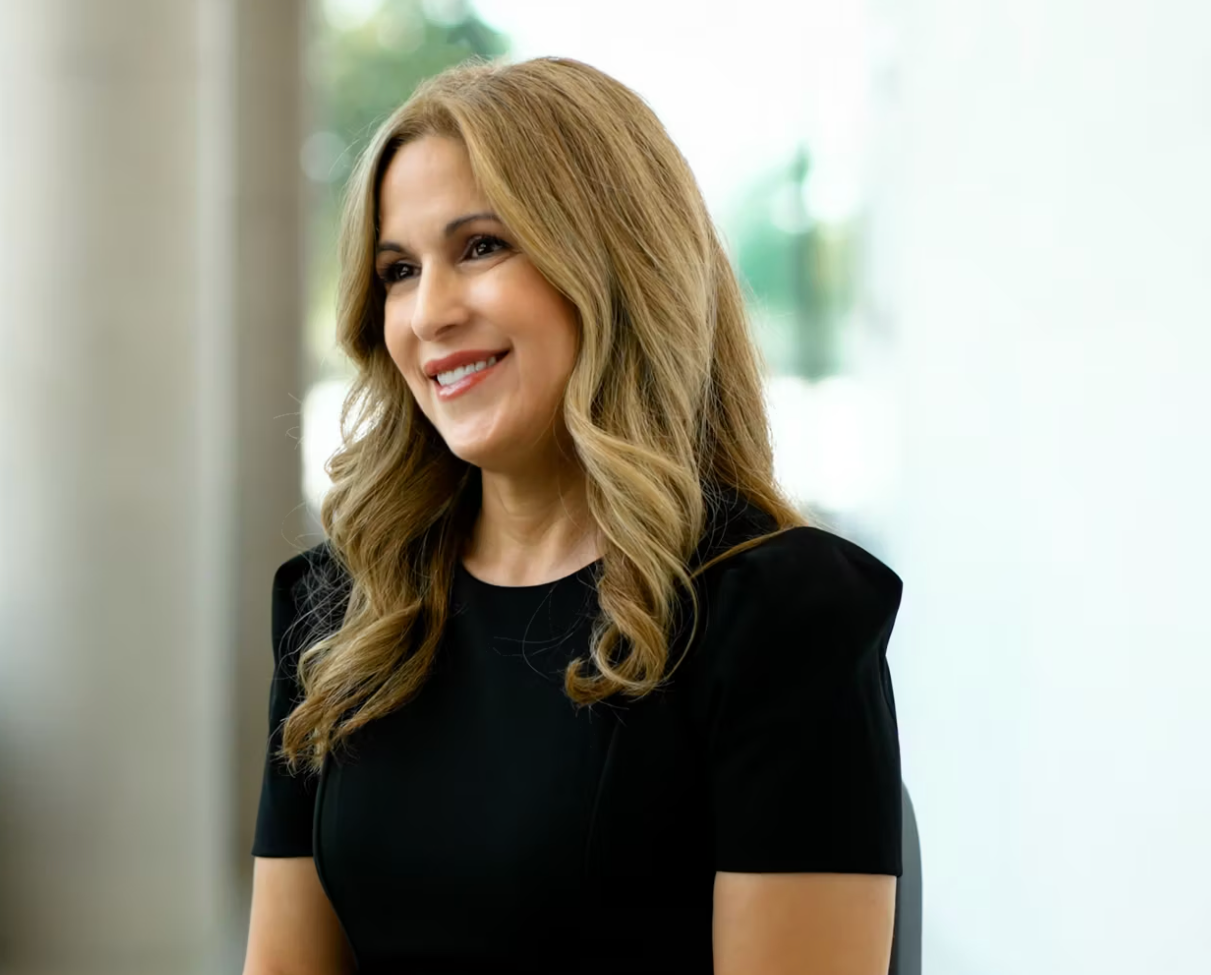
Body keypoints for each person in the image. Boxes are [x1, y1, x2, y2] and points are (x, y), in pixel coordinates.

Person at [244, 57, 902, 975]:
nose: (429, 312)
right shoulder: (339, 612)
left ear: (613, 261)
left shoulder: (777, 613)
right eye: (398, 270)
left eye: (482, 246)